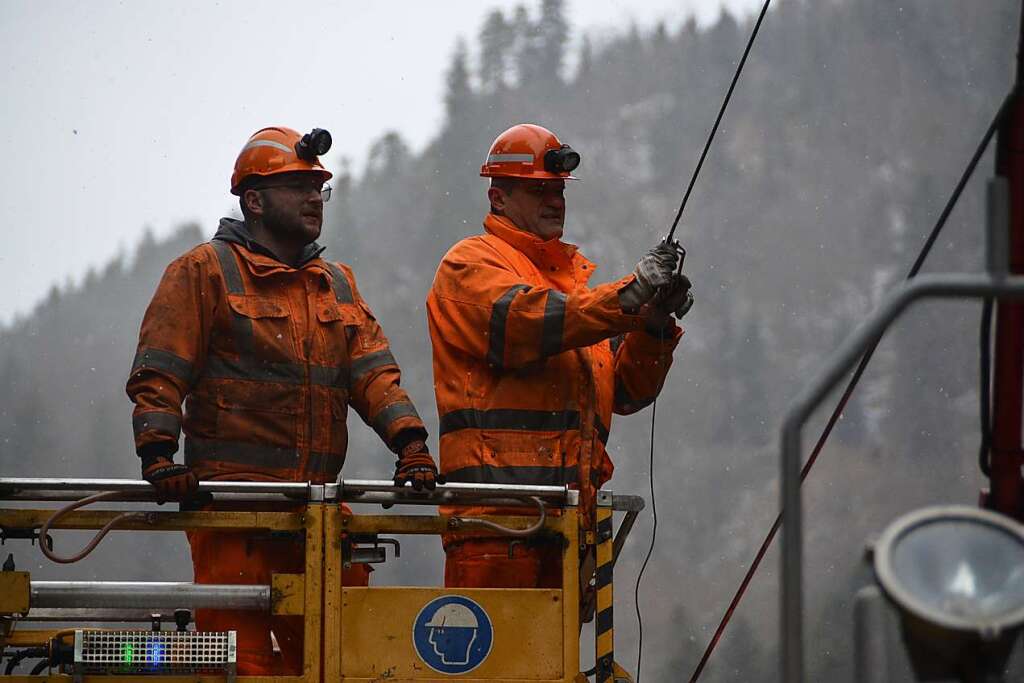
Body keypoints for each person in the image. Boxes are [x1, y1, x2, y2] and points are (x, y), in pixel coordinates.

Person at [126, 126, 439, 674]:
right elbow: (162, 369)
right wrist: (157, 455)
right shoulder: (204, 272)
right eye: (298, 186)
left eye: (319, 187)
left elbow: (374, 375)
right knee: (241, 667)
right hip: (232, 517)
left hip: (318, 516)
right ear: (254, 200)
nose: (314, 198)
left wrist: (411, 444)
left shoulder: (336, 285)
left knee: (340, 665)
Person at [426, 123, 692, 590]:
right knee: (497, 664)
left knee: (550, 666)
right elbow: (523, 324)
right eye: (538, 190)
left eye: (559, 190)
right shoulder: (469, 265)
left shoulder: (574, 294)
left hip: (567, 531)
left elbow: (627, 392)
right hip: (496, 531)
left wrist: (652, 326)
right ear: (498, 199)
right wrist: (629, 297)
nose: (554, 200)